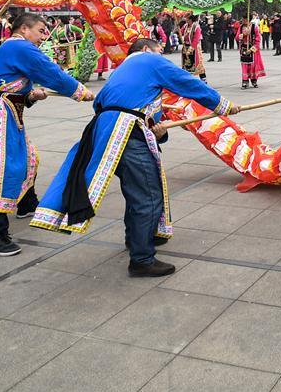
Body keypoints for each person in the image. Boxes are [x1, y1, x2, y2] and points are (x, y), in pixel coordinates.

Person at [32, 38, 239, 275]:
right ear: (144, 50)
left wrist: (156, 129)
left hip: (106, 133)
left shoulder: (122, 73)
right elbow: (187, 82)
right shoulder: (147, 61)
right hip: (127, 133)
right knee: (148, 195)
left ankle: (138, 238)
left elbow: (109, 105)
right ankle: (141, 259)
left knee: (136, 190)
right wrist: (223, 105)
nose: (161, 57)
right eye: (159, 52)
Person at [0, 13, 94, 256]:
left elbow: (10, 87)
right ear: (23, 29)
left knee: (29, 158)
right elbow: (50, 72)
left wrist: (31, 95)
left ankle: (26, 202)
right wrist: (80, 91)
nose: (44, 36)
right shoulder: (20, 47)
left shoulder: (13, 48)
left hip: (10, 113)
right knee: (5, 169)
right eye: (40, 30)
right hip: (2, 116)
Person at [237, 17, 266, 88]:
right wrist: (241, 36)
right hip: (244, 48)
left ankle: (254, 80)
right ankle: (245, 81)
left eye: (245, 20)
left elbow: (258, 39)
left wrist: (252, 49)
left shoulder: (254, 27)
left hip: (253, 50)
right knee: (244, 66)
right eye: (242, 20)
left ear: (248, 20)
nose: (243, 21)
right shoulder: (241, 27)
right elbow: (237, 37)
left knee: (253, 66)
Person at [180, 14, 206, 82]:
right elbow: (181, 32)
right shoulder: (185, 26)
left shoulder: (196, 27)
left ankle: (203, 79)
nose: (186, 19)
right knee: (186, 63)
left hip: (194, 47)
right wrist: (178, 29)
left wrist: (191, 48)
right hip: (185, 46)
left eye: (187, 18)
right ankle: (187, 80)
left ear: (191, 19)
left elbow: (196, 39)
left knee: (198, 64)